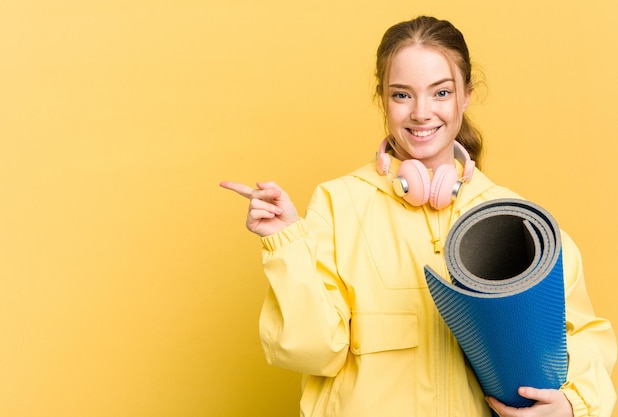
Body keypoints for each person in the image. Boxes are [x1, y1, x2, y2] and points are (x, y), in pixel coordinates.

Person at [220, 15, 616, 417]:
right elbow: (313, 351)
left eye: (441, 93)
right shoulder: (337, 204)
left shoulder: (515, 218)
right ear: (382, 99)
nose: (422, 113)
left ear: (466, 95)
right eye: (402, 95)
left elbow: (581, 336)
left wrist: (573, 405)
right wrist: (287, 242)